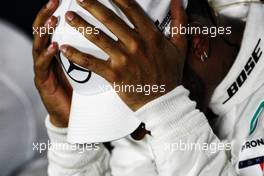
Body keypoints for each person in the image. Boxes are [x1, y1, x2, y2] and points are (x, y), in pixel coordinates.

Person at [32, 0, 264, 175]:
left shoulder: (155, 110)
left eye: (138, 94)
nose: (138, 133)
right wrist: (72, 147)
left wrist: (168, 114)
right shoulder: (150, 109)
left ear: (196, 40)